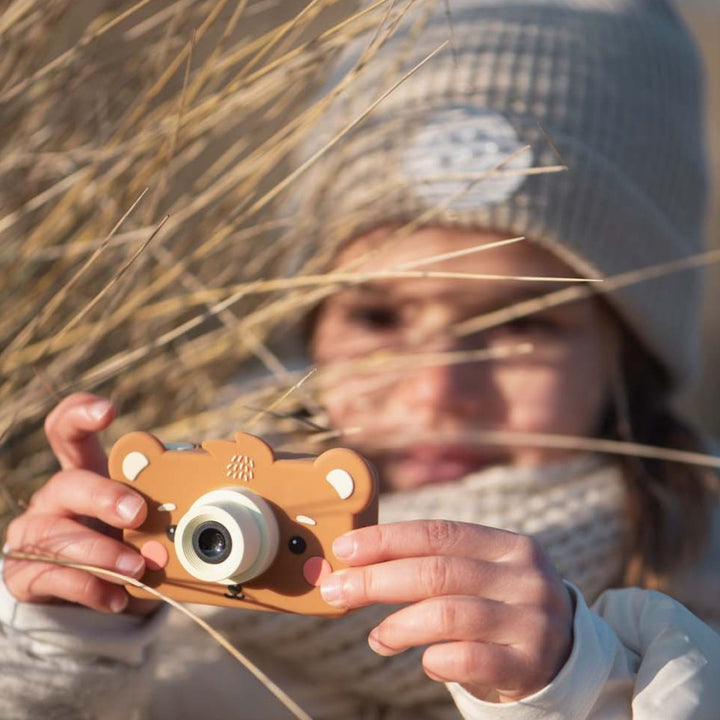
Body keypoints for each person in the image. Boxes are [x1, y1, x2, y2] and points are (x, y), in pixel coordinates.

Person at [2, 0, 719, 718]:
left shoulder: (682, 640)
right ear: (309, 330)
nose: (436, 389)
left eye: (519, 324)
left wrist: (571, 687)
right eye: (377, 316)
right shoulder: (187, 592)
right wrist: (64, 641)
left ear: (630, 354)